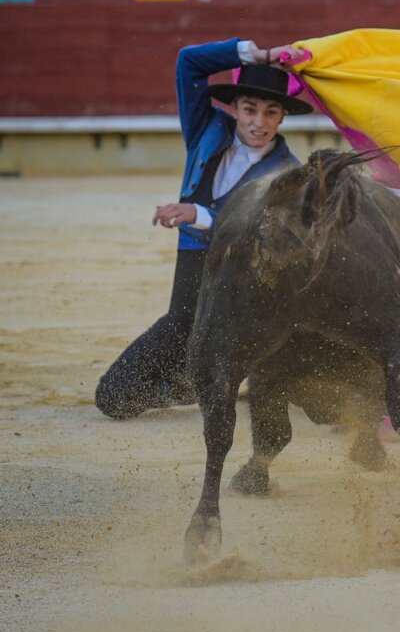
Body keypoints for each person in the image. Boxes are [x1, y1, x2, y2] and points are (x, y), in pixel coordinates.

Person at [94, 40, 310, 420]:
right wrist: (251, 53)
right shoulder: (206, 128)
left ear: (282, 117)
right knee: (114, 396)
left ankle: (226, 376)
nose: (259, 122)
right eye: (250, 109)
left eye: (271, 112)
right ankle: (197, 384)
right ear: (233, 108)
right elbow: (189, 62)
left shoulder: (289, 172)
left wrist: (199, 213)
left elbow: (263, 234)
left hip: (240, 286)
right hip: (191, 285)